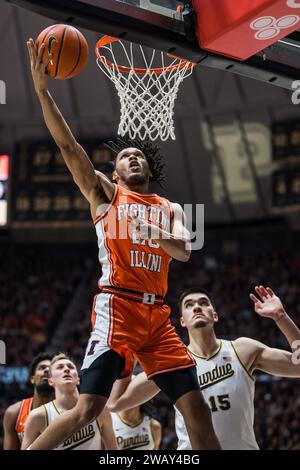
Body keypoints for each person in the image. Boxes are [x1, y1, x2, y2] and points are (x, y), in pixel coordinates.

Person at [25, 39, 220, 450]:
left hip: (158, 320)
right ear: (113, 171)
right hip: (118, 307)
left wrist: (153, 232)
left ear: (148, 167)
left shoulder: (168, 207)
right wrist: (43, 91)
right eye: (125, 157)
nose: (134, 158)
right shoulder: (106, 195)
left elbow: (184, 248)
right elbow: (68, 146)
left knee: (197, 407)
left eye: (139, 156)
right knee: (90, 408)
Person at [107, 285, 300, 450]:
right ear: (182, 321)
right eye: (189, 305)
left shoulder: (243, 350)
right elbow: (116, 403)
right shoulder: (171, 362)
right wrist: (127, 349)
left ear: (215, 315)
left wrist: (281, 317)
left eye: (203, 303)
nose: (197, 307)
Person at [22, 353, 117, 450]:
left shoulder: (98, 408)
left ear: (78, 379)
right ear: (50, 381)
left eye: (71, 367)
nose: (66, 369)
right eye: (60, 367)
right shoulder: (38, 416)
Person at [3, 353, 54, 449]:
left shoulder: (67, 410)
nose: (47, 370)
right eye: (42, 368)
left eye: (51, 369)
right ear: (32, 379)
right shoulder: (14, 412)